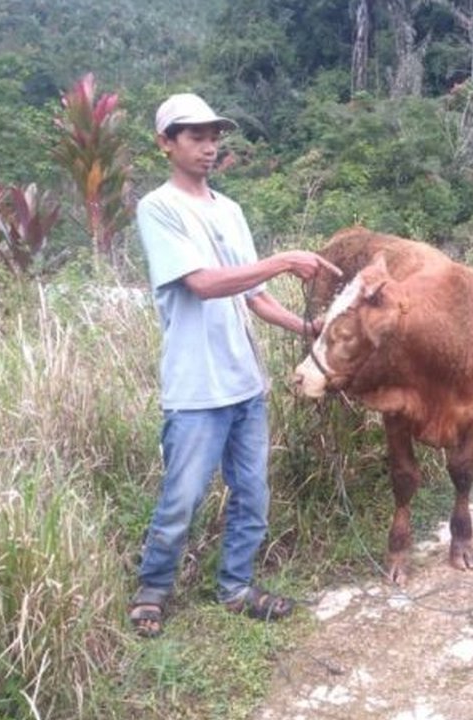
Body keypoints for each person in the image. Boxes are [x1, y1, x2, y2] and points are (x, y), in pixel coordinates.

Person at [128, 93, 341, 636]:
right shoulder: (158, 208)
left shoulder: (231, 210)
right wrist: (284, 258)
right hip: (197, 388)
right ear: (165, 143)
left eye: (214, 136)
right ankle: (153, 590)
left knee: (253, 493)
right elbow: (202, 284)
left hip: (246, 384)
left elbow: (254, 296)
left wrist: (308, 330)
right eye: (195, 136)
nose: (208, 146)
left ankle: (237, 587)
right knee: (182, 496)